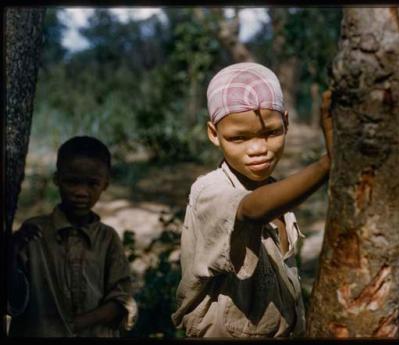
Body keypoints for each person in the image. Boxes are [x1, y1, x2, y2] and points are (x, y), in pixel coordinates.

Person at [171, 62, 334, 337]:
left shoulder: (278, 196)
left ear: (286, 122)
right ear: (214, 134)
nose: (258, 149)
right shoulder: (209, 190)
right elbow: (250, 210)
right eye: (239, 138)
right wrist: (329, 163)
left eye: (271, 132)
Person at [7, 136, 137, 337]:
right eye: (72, 182)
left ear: (105, 184)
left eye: (92, 183)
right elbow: (14, 298)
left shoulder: (108, 239)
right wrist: (10, 254)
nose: (81, 192)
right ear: (57, 180)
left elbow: (121, 301)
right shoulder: (33, 233)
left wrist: (72, 325)